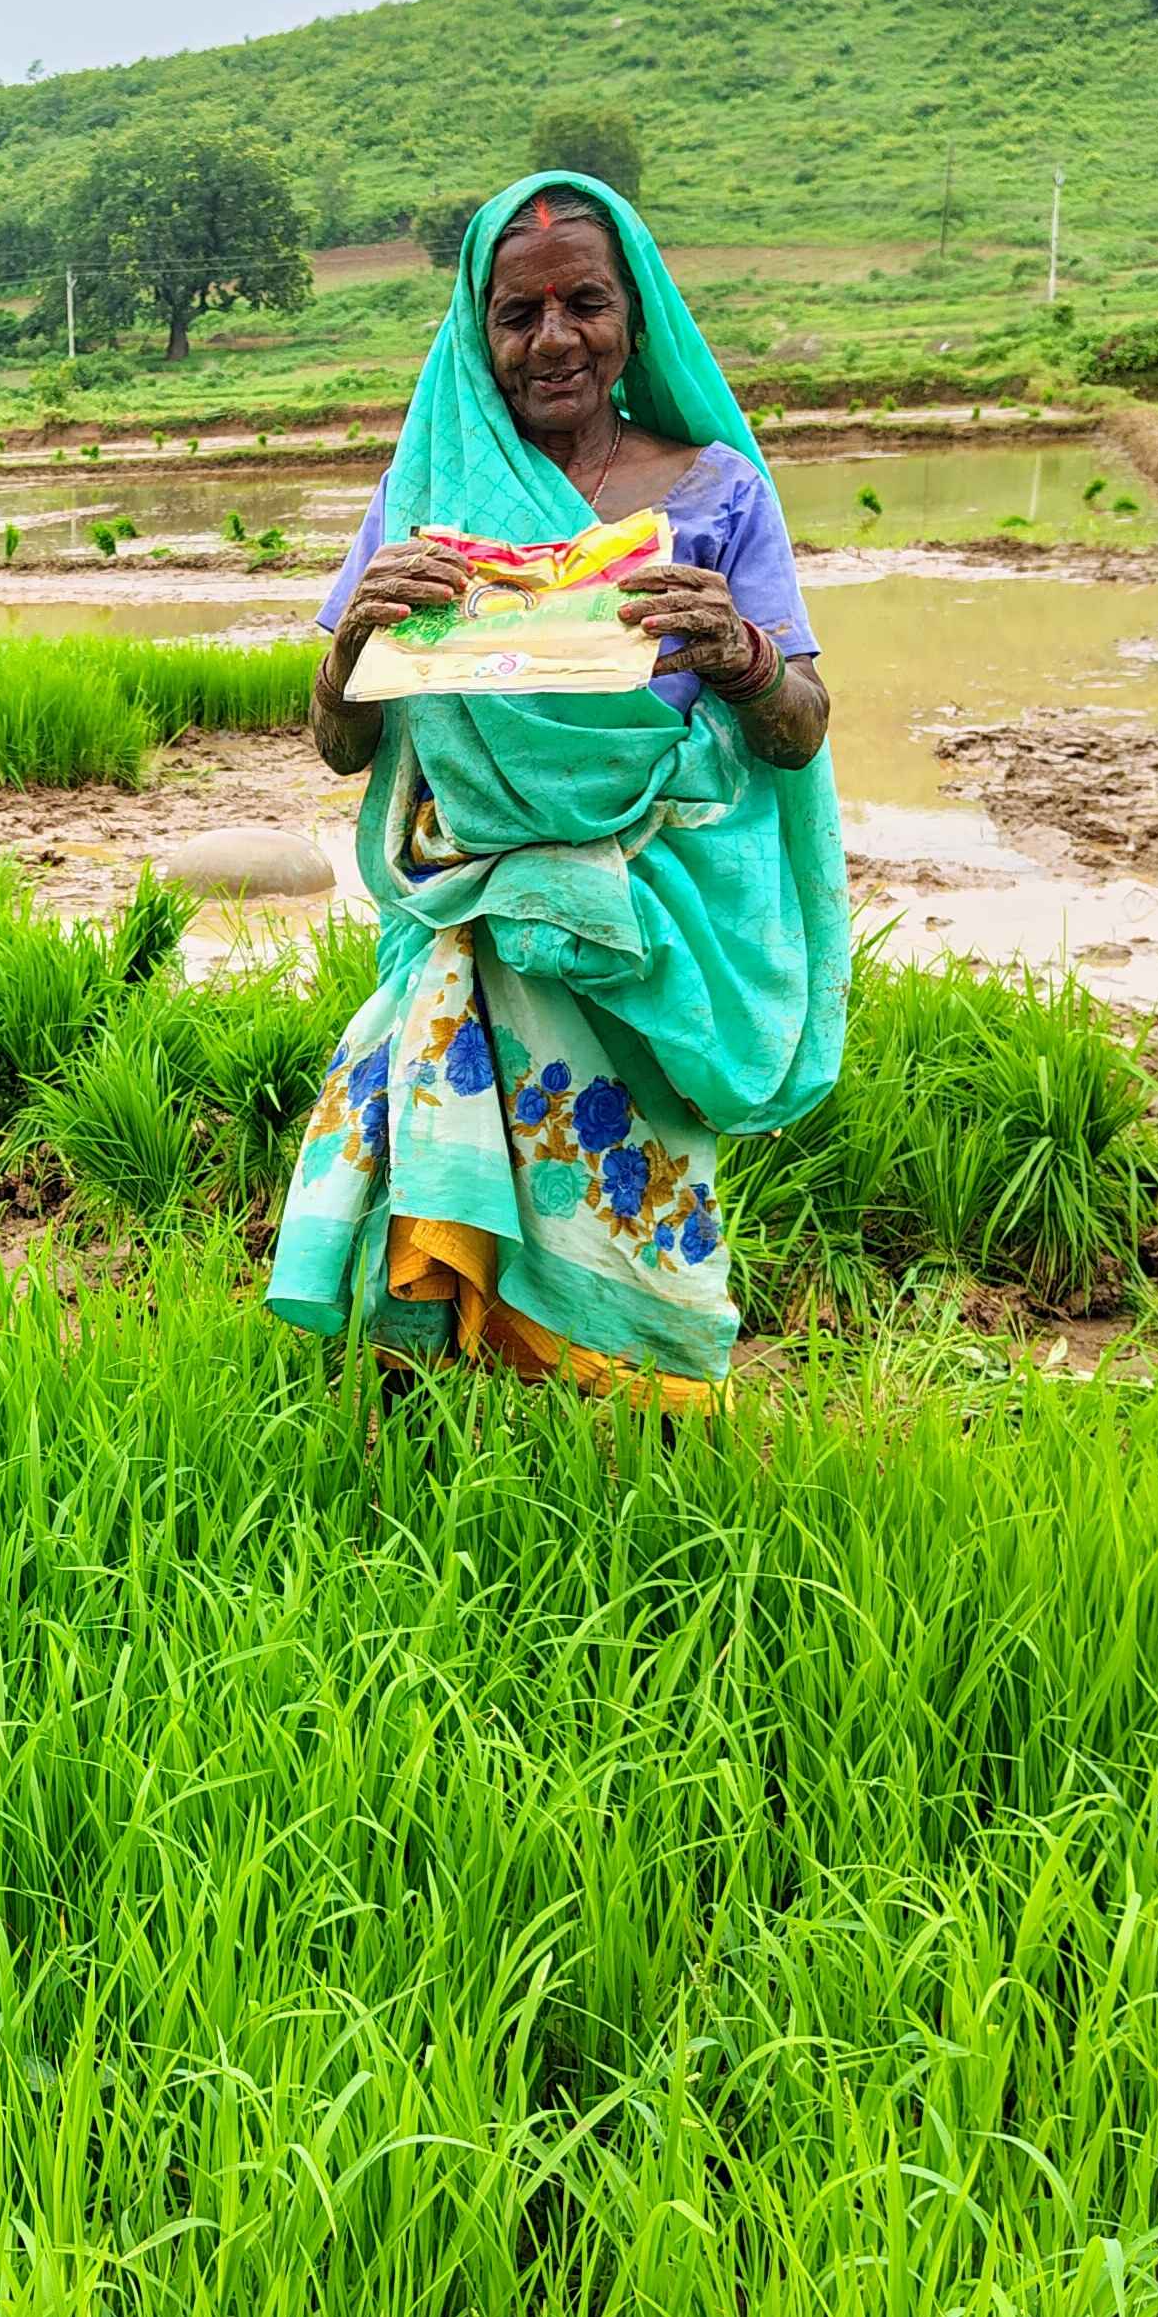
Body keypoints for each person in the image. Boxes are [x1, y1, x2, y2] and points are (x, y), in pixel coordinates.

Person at [268, 172, 847, 1412]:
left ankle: (630, 1437)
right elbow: (340, 748)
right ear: (477, 331)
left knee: (635, 1222)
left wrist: (740, 652)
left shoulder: (717, 492)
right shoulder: (427, 497)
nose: (554, 339)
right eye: (518, 313)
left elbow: (798, 732)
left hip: (644, 935)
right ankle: (443, 1455)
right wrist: (352, 643)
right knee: (439, 1222)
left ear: (636, 315)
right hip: (469, 913)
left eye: (585, 303)